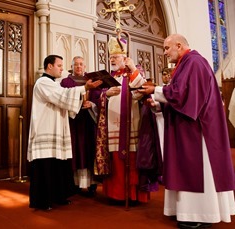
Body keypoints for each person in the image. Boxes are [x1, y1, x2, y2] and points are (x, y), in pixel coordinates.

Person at [139, 34, 235, 229]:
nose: (165, 53)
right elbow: (179, 95)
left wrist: (155, 90)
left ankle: (202, 213)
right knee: (186, 168)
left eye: (167, 48)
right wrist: (159, 104)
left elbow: (184, 95)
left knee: (198, 169)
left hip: (198, 130)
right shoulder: (185, 64)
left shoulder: (194, 62)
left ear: (179, 45)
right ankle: (189, 212)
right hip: (189, 126)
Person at [27, 54, 102, 211]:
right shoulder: (43, 83)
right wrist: (85, 88)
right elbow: (62, 96)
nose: (62, 68)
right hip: (45, 131)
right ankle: (43, 201)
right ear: (49, 66)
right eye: (59, 66)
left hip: (56, 131)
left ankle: (57, 196)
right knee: (45, 167)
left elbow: (64, 99)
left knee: (57, 166)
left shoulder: (53, 83)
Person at [95, 36, 149, 204]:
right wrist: (105, 94)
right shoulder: (110, 77)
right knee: (115, 161)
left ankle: (132, 195)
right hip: (111, 126)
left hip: (130, 123)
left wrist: (133, 70)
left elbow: (142, 91)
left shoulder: (134, 72)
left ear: (125, 57)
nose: (112, 59)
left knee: (130, 161)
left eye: (116, 57)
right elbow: (100, 96)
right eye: (111, 57)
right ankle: (115, 195)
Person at [60, 56, 100, 196]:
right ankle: (75, 183)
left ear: (84, 66)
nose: (78, 67)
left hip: (89, 120)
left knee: (89, 150)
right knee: (76, 151)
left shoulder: (92, 80)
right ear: (72, 66)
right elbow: (63, 99)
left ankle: (91, 184)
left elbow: (99, 97)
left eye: (81, 64)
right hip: (74, 121)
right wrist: (77, 104)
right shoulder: (66, 82)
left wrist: (93, 104)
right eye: (76, 64)